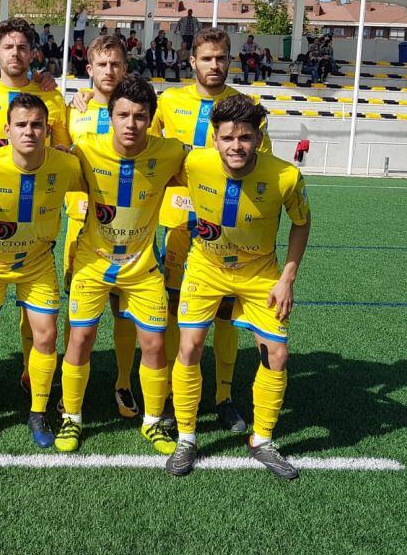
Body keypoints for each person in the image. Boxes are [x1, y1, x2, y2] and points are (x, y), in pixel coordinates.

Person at [166, 94, 310, 480]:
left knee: (276, 355)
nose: (236, 146)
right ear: (215, 138)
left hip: (260, 273)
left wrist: (287, 278)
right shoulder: (194, 162)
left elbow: (301, 222)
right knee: (190, 346)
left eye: (245, 137)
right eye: (228, 138)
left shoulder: (286, 177)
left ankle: (261, 440)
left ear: (258, 138)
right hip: (205, 267)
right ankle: (187, 437)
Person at [56, 76, 188, 454]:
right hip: (92, 262)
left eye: (140, 116)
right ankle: (72, 418)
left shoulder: (171, 152)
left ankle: (152, 422)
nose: (131, 124)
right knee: (79, 339)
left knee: (154, 344)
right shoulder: (84, 150)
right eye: (124, 115)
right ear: (110, 116)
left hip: (142, 266)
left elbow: (211, 166)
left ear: (151, 119)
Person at [151, 27, 271, 434]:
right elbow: (150, 154)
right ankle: (169, 396)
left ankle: (223, 397)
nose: (215, 65)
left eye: (221, 58)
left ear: (230, 60)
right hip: (177, 225)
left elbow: (261, 164)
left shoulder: (245, 106)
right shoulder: (168, 101)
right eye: (207, 58)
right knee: (173, 314)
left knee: (224, 316)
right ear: (192, 62)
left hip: (225, 231)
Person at [0, 93, 83, 447]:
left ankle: (38, 412)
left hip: (38, 263)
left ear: (47, 130)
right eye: (22, 125)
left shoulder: (66, 166)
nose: (29, 131)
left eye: (37, 125)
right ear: (7, 130)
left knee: (45, 337)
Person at [0, 17, 70, 392]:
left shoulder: (51, 97)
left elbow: (65, 148)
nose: (16, 53)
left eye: (23, 47)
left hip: (39, 220)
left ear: (32, 53)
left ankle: (31, 372)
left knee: (34, 307)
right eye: (8, 46)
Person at [64, 36, 140, 419]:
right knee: (76, 312)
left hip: (129, 228)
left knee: (124, 311)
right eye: (101, 64)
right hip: (80, 226)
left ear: (124, 69)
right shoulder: (71, 111)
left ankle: (123, 383)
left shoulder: (142, 110)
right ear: (88, 68)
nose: (109, 71)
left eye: (116, 64)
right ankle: (68, 389)